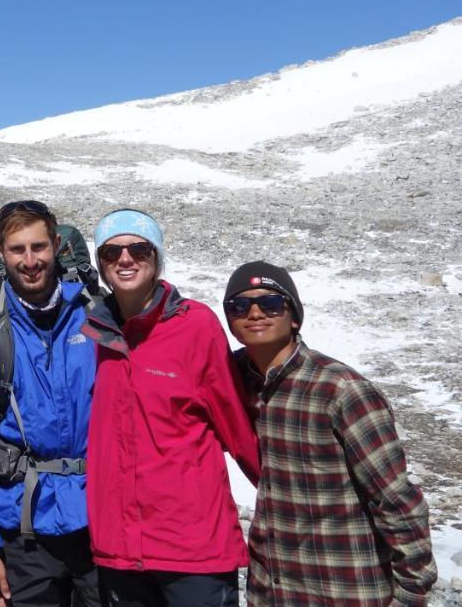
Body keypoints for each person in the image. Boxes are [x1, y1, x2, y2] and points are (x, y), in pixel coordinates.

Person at [223, 261, 437, 606]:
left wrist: (412, 592)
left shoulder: (342, 391)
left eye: (272, 303)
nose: (256, 313)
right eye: (240, 306)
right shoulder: (234, 382)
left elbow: (397, 500)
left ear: (294, 316)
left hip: (345, 588)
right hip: (271, 590)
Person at [80, 209, 259, 606]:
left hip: (193, 551)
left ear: (157, 257)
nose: (125, 259)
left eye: (138, 248)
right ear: (101, 265)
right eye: (111, 253)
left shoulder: (196, 325)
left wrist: (287, 500)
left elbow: (238, 428)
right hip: (120, 552)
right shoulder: (92, 334)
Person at [0, 200, 99, 606]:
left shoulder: (95, 320)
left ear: (56, 246)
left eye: (39, 247)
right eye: (18, 250)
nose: (30, 261)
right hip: (25, 536)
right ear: (2, 253)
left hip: (99, 520)